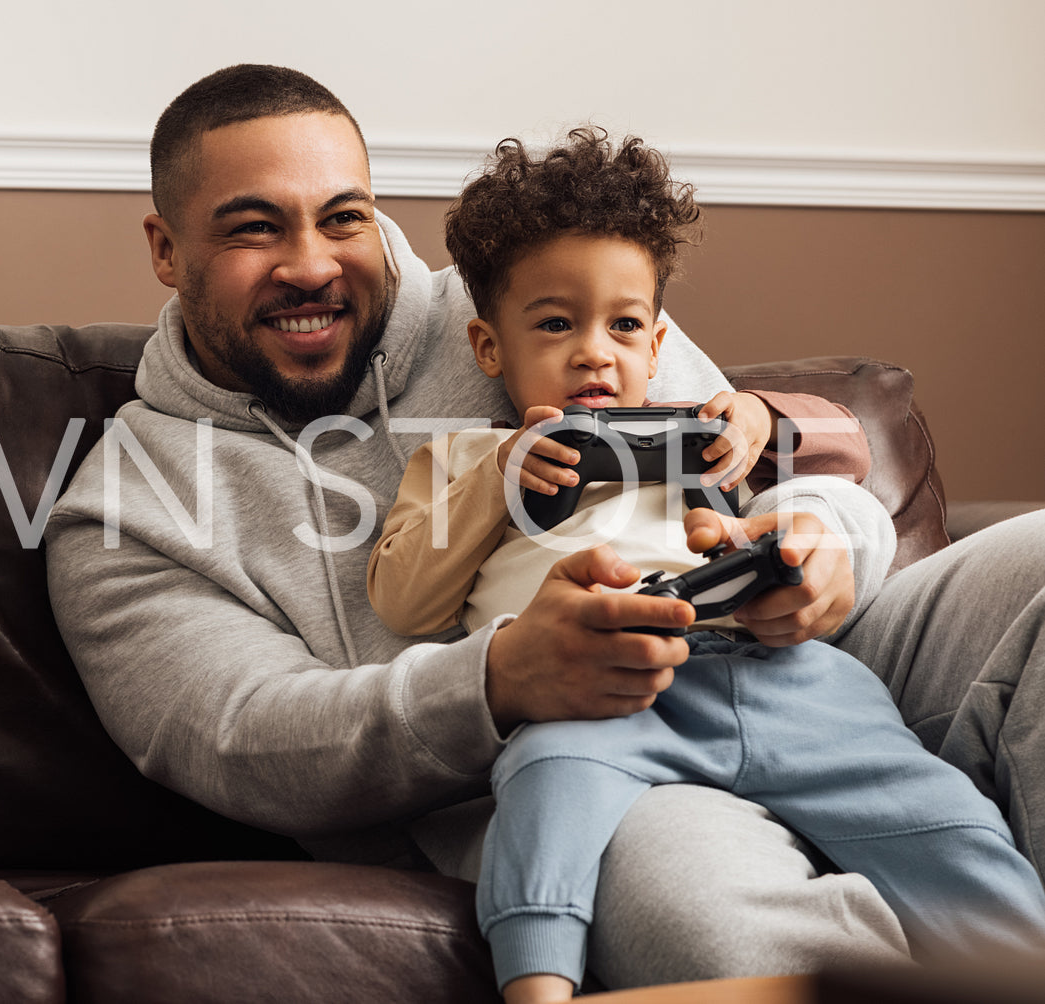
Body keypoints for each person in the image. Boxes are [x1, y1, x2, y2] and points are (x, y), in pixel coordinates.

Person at [44, 63, 1045, 988]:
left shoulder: (537, 288)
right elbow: (243, 736)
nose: (311, 265)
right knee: (704, 916)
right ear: (164, 247)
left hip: (791, 665)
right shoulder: (122, 507)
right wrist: (496, 680)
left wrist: (824, 542)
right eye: (252, 227)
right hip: (574, 767)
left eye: (340, 218)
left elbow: (740, 448)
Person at [365, 129, 1045, 1001]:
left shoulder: (702, 431)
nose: (591, 352)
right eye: (553, 324)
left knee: (938, 818)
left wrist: (764, 420)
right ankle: (534, 984)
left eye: (621, 327)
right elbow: (402, 598)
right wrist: (498, 479)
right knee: (540, 792)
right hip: (602, 699)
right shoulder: (467, 457)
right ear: (489, 348)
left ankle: (1018, 957)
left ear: (654, 346)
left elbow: (848, 452)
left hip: (777, 677)